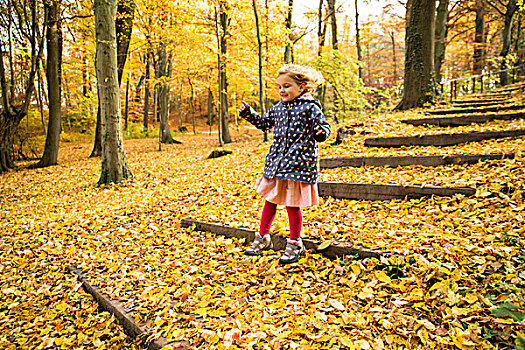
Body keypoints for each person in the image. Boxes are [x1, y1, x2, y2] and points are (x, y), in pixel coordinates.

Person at [239, 64, 331, 264]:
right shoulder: (278, 109)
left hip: (298, 163)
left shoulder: (310, 107)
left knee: (292, 204)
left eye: (287, 86)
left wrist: (321, 132)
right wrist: (249, 114)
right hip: (277, 162)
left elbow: (324, 126)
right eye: (280, 86)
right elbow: (264, 123)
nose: (282, 91)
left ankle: (295, 243)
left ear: (303, 87)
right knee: (270, 201)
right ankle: (263, 237)